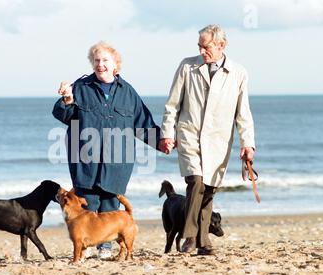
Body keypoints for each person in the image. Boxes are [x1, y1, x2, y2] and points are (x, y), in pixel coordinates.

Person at [53, 41, 162, 259]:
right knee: (88, 201)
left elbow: (143, 123)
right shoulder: (80, 87)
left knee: (111, 200)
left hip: (118, 158)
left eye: (105, 60)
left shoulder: (128, 93)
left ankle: (106, 246)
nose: (100, 64)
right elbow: (63, 115)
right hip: (85, 156)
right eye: (96, 60)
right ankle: (86, 246)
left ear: (115, 65)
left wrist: (161, 142)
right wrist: (67, 99)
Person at [159, 25, 255, 256]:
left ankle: (204, 240)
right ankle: (191, 236)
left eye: (207, 47)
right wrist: (167, 134)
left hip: (218, 142)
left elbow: (243, 113)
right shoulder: (186, 66)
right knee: (196, 183)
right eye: (199, 46)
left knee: (209, 189)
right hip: (189, 135)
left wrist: (247, 144)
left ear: (221, 46)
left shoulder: (238, 73)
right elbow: (172, 105)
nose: (202, 51)